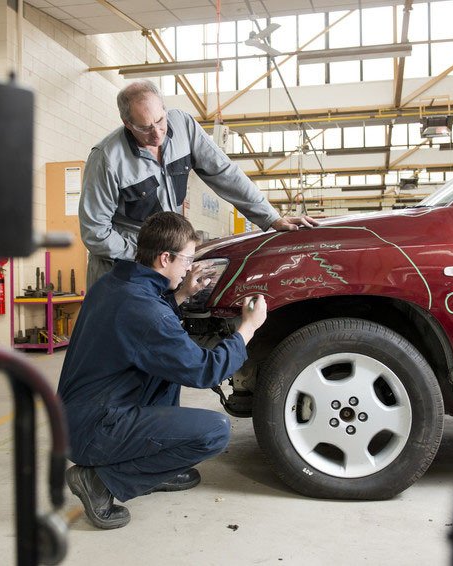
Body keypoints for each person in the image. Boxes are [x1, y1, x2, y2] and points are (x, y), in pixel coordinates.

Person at [58, 211, 268, 529]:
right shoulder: (145, 310)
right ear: (165, 257)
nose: (188, 268)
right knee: (214, 432)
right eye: (186, 260)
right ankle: (101, 480)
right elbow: (204, 371)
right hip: (94, 430)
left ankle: (152, 469)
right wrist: (247, 329)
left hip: (78, 416)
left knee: (167, 370)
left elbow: (149, 324)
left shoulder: (116, 282)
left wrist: (181, 294)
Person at [79, 79, 318, 289]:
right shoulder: (107, 158)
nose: (157, 134)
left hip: (163, 262)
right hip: (119, 271)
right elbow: (95, 232)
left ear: (164, 107)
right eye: (145, 127)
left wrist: (270, 217)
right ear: (127, 123)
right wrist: (146, 256)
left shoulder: (183, 125)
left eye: (160, 121)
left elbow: (224, 172)